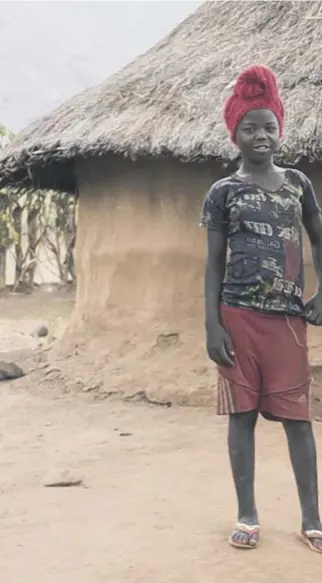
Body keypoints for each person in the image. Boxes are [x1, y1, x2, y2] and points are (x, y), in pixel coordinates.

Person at [200, 64, 322, 553]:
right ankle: (247, 515)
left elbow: (318, 237)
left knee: (298, 421)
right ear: (235, 133)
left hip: (288, 322)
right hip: (238, 319)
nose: (261, 136)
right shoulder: (223, 193)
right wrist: (211, 325)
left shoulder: (298, 185)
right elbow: (212, 265)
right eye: (250, 128)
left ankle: (313, 517)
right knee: (242, 418)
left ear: (280, 128)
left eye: (269, 126)